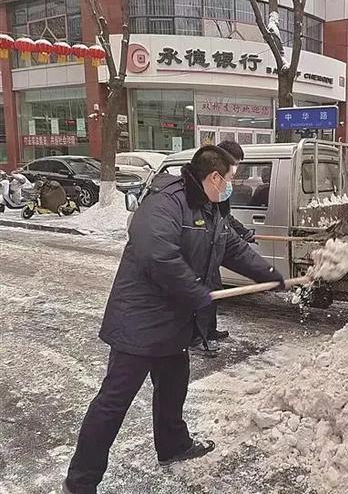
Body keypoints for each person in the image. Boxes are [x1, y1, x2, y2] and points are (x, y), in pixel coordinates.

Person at [62, 146, 284, 494]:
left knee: (173, 389)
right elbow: (157, 254)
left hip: (173, 322)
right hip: (139, 321)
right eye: (230, 179)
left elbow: (231, 248)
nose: (230, 186)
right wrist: (195, 292)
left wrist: (270, 274)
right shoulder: (166, 202)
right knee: (113, 402)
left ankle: (173, 446)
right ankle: (80, 482)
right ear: (214, 177)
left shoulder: (209, 209)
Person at [190, 140, 257, 357]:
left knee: (215, 293)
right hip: (199, 253)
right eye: (234, 164)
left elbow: (224, 219)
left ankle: (209, 330)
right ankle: (197, 338)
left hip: (212, 252)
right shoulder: (203, 185)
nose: (235, 171)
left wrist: (243, 232)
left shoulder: (221, 188)